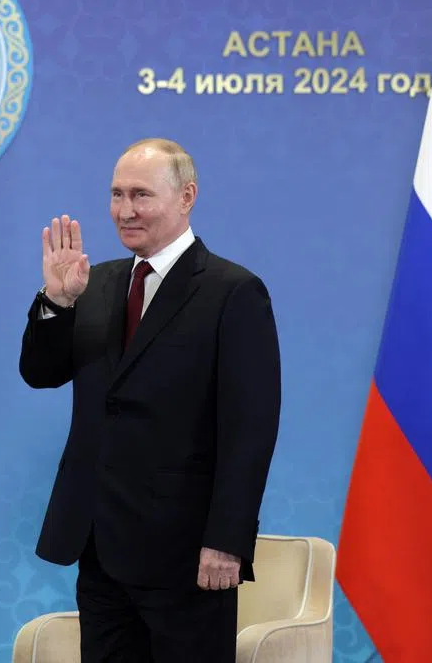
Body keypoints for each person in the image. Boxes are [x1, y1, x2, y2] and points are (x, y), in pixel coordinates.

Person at [18, 138, 281, 661]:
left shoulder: (232, 291)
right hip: (99, 544)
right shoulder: (93, 283)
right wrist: (56, 302)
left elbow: (249, 429)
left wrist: (227, 540)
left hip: (186, 553)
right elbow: (40, 374)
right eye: (116, 194)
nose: (124, 210)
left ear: (186, 197)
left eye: (140, 194)